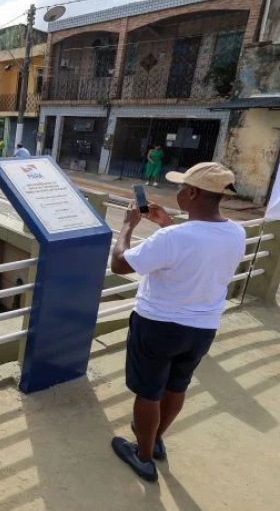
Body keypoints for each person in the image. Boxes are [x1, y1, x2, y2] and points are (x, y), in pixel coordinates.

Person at [109, 162, 245, 483]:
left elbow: (119, 264)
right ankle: (155, 440)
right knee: (176, 385)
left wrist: (128, 225)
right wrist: (166, 224)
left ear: (194, 192)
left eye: (182, 187)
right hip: (202, 328)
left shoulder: (174, 237)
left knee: (148, 393)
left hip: (159, 325)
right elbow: (196, 251)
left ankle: (142, 457)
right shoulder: (236, 232)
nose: (178, 192)